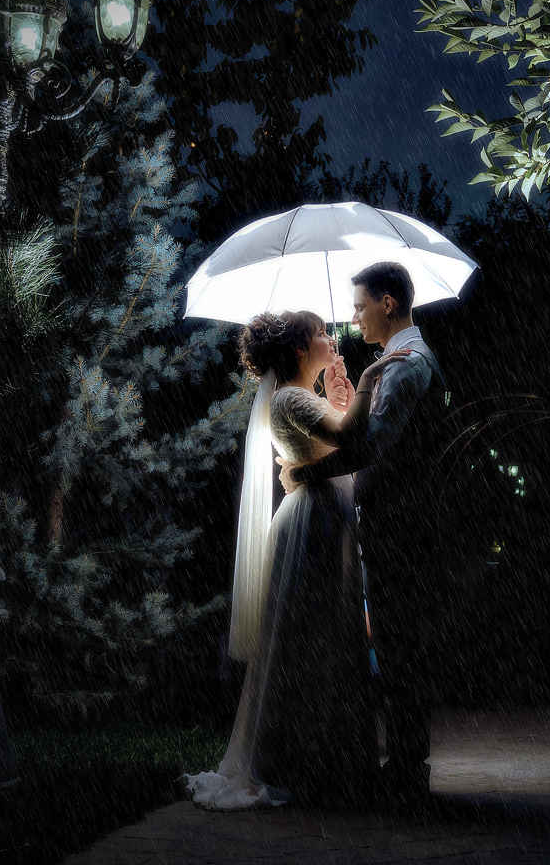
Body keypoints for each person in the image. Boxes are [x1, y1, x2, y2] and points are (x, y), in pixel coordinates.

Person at [183, 309, 410, 810]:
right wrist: (365, 384)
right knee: (310, 637)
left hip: (323, 516)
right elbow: (349, 439)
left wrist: (339, 398)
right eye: (321, 333)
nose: (331, 337)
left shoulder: (301, 397)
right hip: (314, 523)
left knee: (323, 635)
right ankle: (299, 760)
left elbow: (337, 438)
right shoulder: (289, 398)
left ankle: (320, 756)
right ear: (301, 350)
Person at [288, 261, 450, 804]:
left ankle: (407, 771)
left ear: (387, 303)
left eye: (360, 307)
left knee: (400, 642)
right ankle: (405, 765)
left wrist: (304, 474)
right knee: (399, 641)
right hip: (401, 519)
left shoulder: (406, 365)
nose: (354, 318)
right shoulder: (401, 361)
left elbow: (371, 447)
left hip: (401, 523)